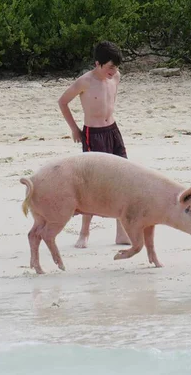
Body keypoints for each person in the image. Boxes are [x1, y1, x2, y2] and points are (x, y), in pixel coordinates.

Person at [57, 41, 131, 248]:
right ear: (97, 64)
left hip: (113, 131)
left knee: (122, 180)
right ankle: (84, 233)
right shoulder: (85, 81)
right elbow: (62, 102)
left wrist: (114, 71)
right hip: (93, 134)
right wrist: (74, 129)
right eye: (109, 67)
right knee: (92, 186)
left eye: (115, 67)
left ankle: (121, 232)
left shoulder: (116, 77)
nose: (113, 71)